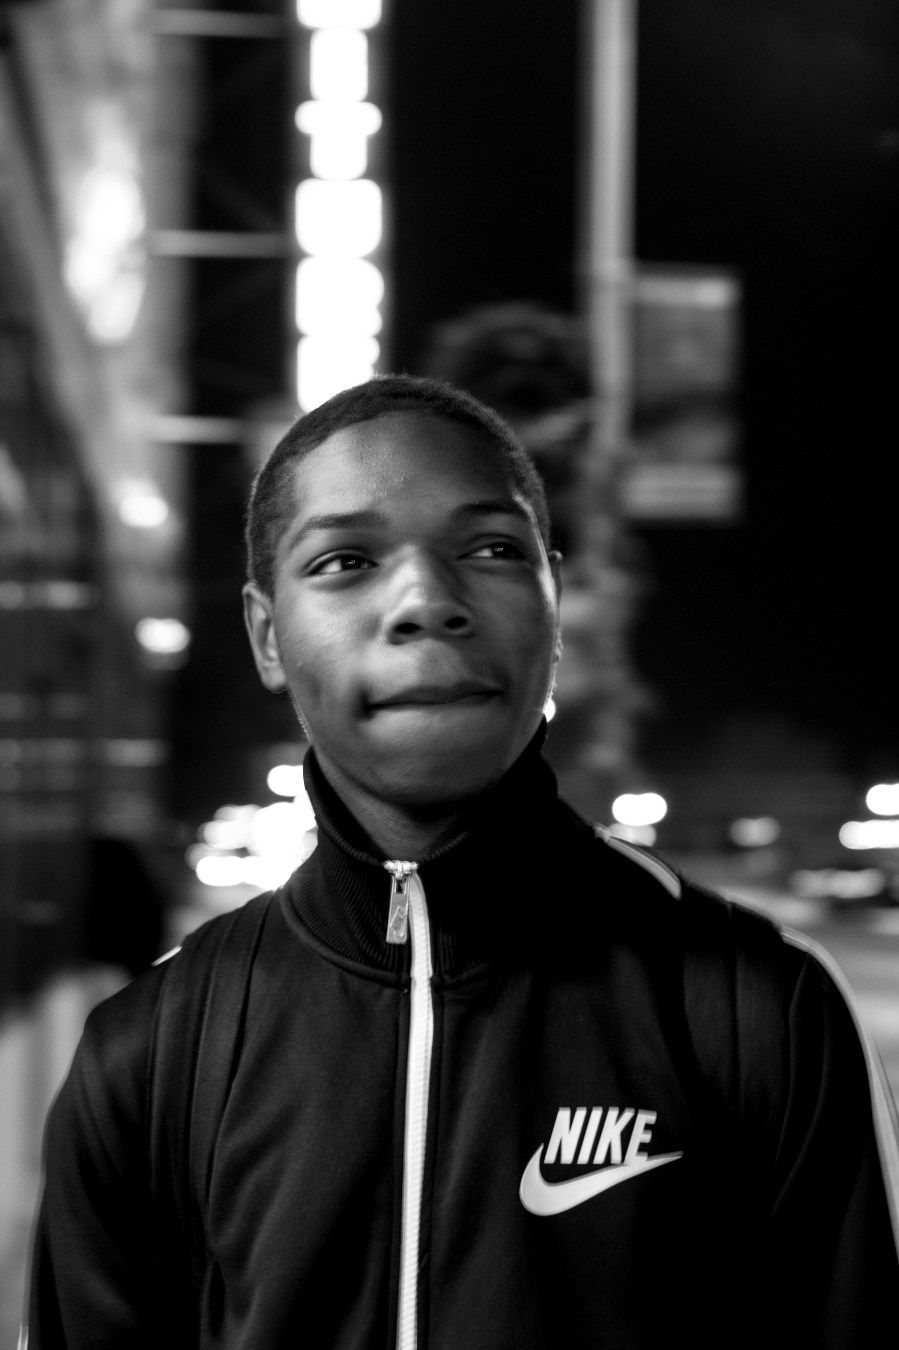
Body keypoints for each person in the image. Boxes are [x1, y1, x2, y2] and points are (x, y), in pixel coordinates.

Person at [25, 375, 899, 1348]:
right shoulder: (149, 1053)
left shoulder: (756, 1009)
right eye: (346, 560)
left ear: (553, 608)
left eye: (489, 549)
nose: (425, 601)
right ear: (268, 636)